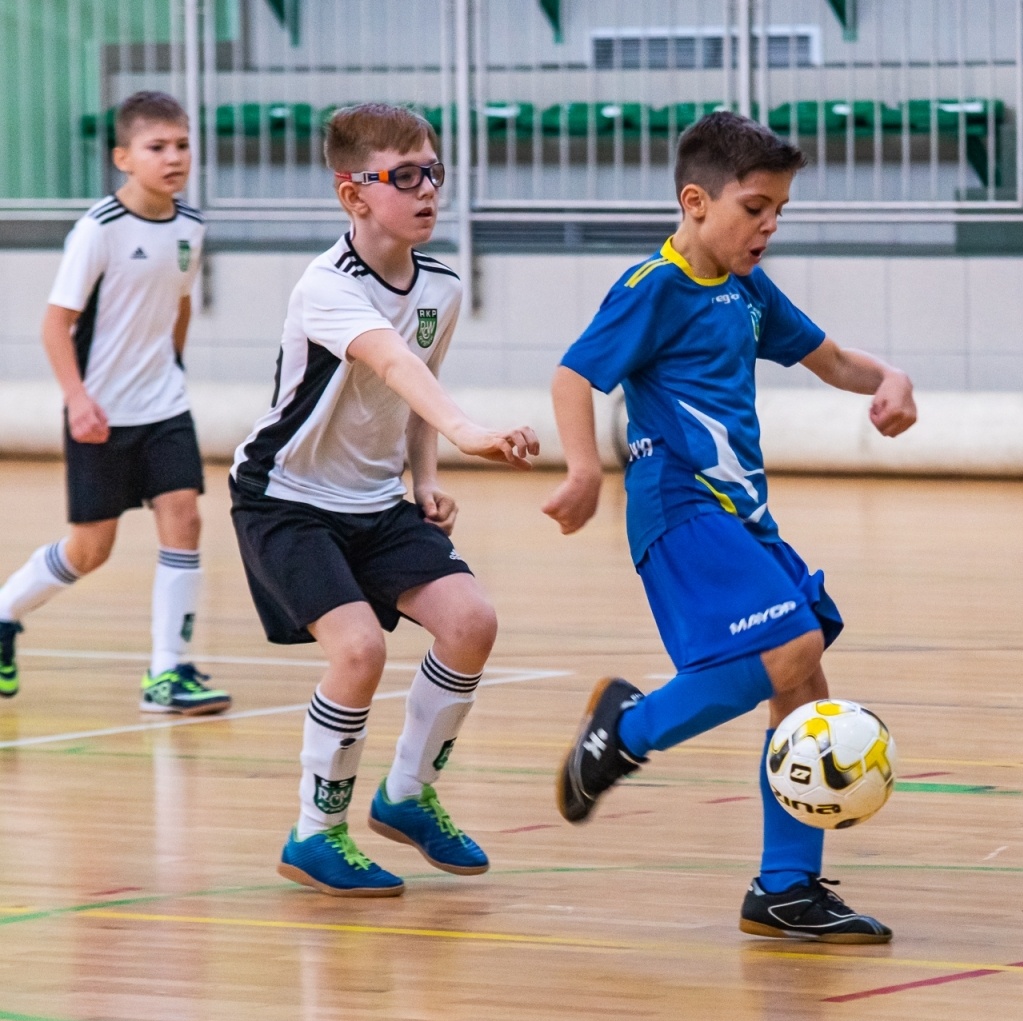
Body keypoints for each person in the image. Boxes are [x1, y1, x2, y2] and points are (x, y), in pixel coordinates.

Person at [543, 112, 917, 943]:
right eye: (755, 207)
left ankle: (786, 888)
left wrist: (889, 377)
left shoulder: (747, 290)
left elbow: (830, 359)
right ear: (696, 201)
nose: (769, 225)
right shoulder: (655, 287)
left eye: (779, 209)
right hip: (679, 505)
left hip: (742, 516)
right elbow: (574, 376)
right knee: (789, 650)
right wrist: (582, 470)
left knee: (802, 683)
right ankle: (627, 730)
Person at [229, 103, 537, 897]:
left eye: (433, 170)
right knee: (359, 652)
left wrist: (425, 478)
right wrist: (471, 431)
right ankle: (315, 833)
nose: (428, 188)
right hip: (286, 498)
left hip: (373, 499)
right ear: (353, 195)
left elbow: (411, 396)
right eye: (404, 176)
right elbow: (395, 365)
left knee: (472, 622)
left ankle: (406, 794)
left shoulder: (442, 285)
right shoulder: (327, 288)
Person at [0, 91, 229, 715]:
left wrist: (171, 368)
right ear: (124, 158)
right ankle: (4, 613)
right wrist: (77, 400)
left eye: (182, 145)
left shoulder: (192, 227)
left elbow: (178, 303)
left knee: (184, 514)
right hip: (100, 413)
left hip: (163, 407)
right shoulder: (97, 231)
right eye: (158, 147)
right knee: (89, 549)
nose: (174, 157)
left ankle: (168, 672)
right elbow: (55, 325)